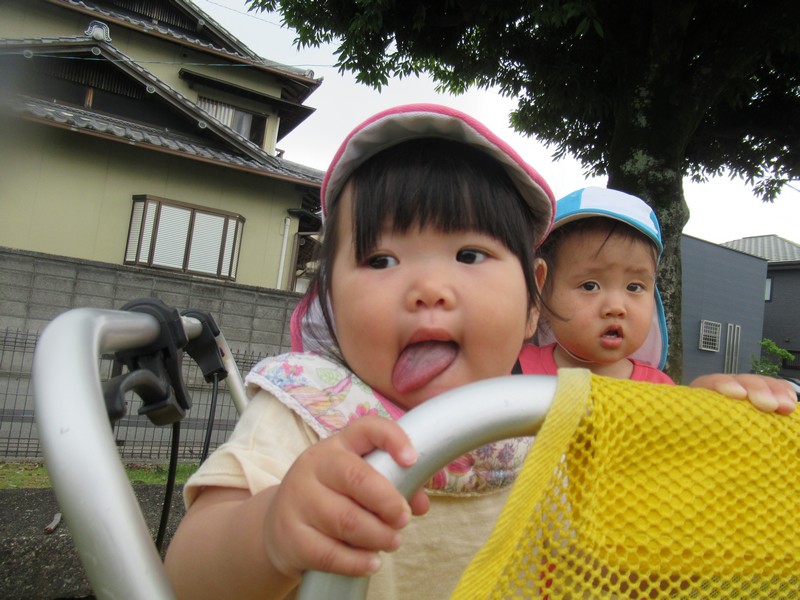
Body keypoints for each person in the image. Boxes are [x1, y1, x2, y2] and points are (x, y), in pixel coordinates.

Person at [164, 105, 795, 600]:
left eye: (470, 255)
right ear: (329, 298)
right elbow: (185, 577)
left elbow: (670, 549)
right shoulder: (312, 413)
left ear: (533, 301)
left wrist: (708, 432)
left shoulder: (551, 424)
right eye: (381, 260)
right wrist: (271, 531)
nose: (428, 289)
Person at [520, 187, 796, 413]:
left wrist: (707, 403)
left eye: (634, 286)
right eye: (590, 286)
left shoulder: (658, 390)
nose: (616, 307)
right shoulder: (515, 369)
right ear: (542, 291)